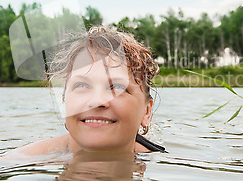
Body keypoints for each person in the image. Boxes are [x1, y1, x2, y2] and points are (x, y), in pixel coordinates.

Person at [10, 26, 166, 156]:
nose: (97, 101)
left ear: (146, 113)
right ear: (65, 101)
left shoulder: (163, 166)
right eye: (82, 86)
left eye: (117, 87)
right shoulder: (21, 160)